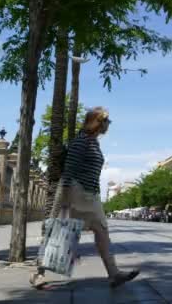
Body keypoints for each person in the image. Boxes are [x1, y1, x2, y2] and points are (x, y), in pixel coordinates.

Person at [30, 107, 139, 289]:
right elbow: (69, 171)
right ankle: (37, 274)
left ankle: (114, 274)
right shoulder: (81, 141)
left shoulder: (93, 142)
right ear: (98, 122)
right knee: (60, 235)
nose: (108, 126)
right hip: (76, 193)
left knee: (103, 232)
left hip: (91, 195)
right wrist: (59, 204)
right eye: (107, 122)